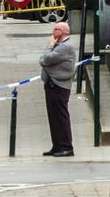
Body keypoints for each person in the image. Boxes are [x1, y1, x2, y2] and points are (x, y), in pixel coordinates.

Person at [39, 22, 77, 157]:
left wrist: (49, 46)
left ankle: (66, 146)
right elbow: (44, 59)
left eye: (56, 29)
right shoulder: (59, 46)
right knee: (53, 117)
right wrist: (46, 58)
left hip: (59, 86)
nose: (53, 31)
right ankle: (57, 145)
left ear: (64, 32)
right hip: (51, 85)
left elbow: (46, 59)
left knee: (61, 117)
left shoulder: (65, 47)